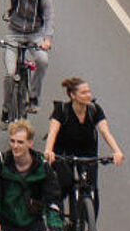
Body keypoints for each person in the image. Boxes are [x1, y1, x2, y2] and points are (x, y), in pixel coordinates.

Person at [43, 78, 124, 218]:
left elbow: (105, 132)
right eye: (83, 92)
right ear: (73, 96)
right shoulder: (62, 110)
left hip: (87, 152)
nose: (88, 95)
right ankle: (56, 212)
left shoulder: (95, 110)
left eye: (89, 91)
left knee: (92, 190)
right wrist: (49, 151)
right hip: (64, 152)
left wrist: (117, 151)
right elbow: (53, 132)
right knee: (65, 183)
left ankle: (91, 226)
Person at [0, 0, 54, 127]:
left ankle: (34, 97)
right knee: (9, 73)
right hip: (14, 34)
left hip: (35, 35)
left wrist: (47, 40)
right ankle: (6, 110)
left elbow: (49, 20)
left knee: (43, 61)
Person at [0, 120, 63, 231]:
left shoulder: (43, 167)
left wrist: (55, 229)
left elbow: (53, 199)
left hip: (33, 225)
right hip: (5, 223)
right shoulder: (0, 162)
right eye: (12, 141)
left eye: (20, 142)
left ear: (30, 143)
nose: (15, 146)